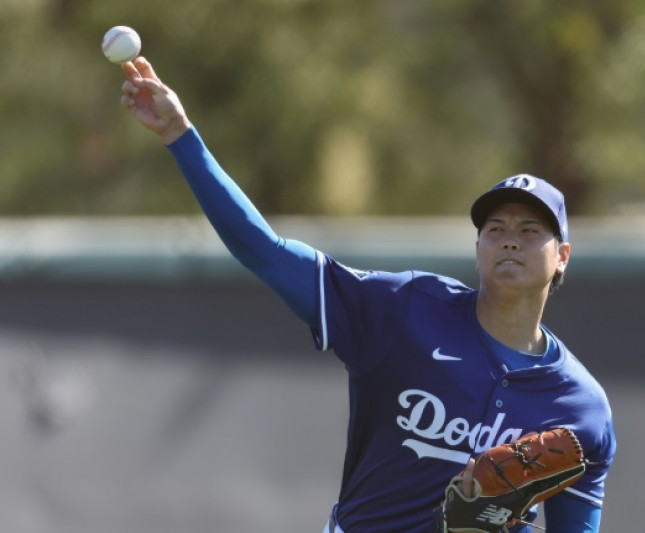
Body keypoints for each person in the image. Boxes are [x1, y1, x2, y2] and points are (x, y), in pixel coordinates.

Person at [117, 56, 615, 533]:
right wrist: (180, 136)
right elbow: (264, 252)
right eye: (495, 227)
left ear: (563, 255)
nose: (509, 237)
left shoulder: (580, 409)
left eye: (530, 229)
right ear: (478, 245)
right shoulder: (405, 310)